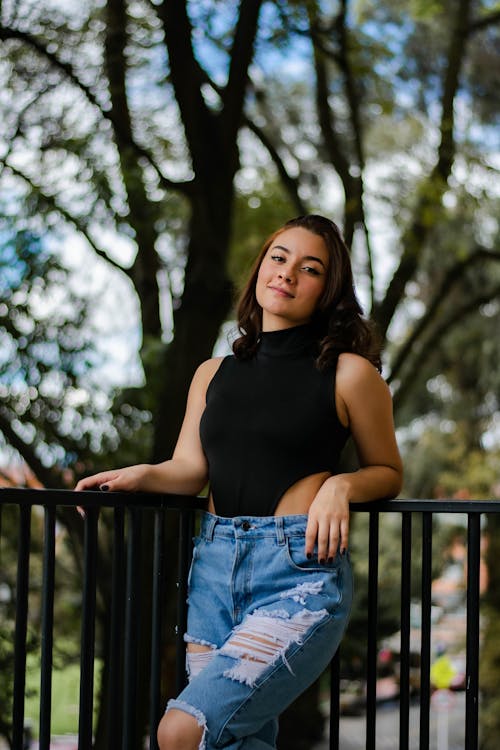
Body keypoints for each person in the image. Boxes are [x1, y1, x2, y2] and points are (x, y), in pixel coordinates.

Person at [76, 214, 403, 750]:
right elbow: (189, 470)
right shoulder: (212, 372)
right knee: (234, 741)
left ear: (329, 291)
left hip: (298, 575)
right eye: (279, 258)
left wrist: (341, 486)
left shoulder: (350, 374)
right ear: (260, 269)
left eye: (310, 268)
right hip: (213, 571)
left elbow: (388, 472)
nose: (287, 274)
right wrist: (142, 475)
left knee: (182, 730)